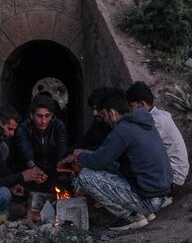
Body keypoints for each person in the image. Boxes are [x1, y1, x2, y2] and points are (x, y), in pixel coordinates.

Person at [64, 93, 172, 231]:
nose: (104, 120)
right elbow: (109, 157)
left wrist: (79, 157)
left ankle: (131, 217)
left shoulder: (122, 129)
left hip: (148, 199)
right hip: (161, 194)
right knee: (112, 166)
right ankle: (145, 213)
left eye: (104, 115)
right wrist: (87, 153)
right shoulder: (143, 123)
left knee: (85, 177)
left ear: (112, 112)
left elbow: (98, 162)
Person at [125, 81, 190, 189]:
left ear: (141, 104)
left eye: (132, 106)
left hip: (173, 178)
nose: (130, 111)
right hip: (173, 174)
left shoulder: (156, 122)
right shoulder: (159, 115)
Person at [15, 94, 68, 183]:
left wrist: (60, 164)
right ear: (32, 115)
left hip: (55, 169)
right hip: (32, 170)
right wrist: (33, 168)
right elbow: (25, 150)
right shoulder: (24, 128)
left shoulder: (58, 126)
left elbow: (62, 147)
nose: (43, 121)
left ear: (52, 115)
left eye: (47, 116)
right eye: (39, 116)